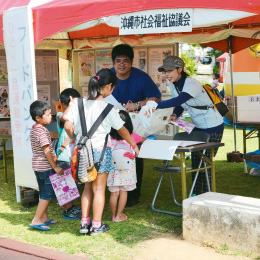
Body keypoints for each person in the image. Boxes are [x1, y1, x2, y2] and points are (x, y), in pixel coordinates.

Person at [64, 69, 139, 236]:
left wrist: (74, 138)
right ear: (108, 87)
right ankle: (96, 225)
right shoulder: (109, 109)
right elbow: (123, 131)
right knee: (99, 190)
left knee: (87, 188)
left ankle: (84, 223)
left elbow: (67, 126)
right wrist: (133, 144)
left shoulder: (78, 103)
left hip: (83, 151)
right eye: (113, 88)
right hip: (101, 153)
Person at [156, 56, 224, 195]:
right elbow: (181, 104)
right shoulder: (173, 85)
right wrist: (175, 114)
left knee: (206, 163)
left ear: (179, 69)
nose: (167, 74)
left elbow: (180, 99)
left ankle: (207, 194)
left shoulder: (191, 83)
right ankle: (196, 193)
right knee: (195, 161)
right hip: (198, 126)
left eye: (170, 70)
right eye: (165, 71)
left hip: (213, 125)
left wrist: (153, 105)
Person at [111, 43, 162, 207]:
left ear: (131, 62)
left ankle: (133, 193)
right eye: (118, 61)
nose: (121, 64)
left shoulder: (141, 77)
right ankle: (115, 192)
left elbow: (156, 98)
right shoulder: (106, 76)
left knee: (135, 155)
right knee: (112, 156)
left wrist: (137, 105)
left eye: (125, 61)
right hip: (111, 125)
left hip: (135, 126)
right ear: (113, 63)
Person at [29, 100, 64, 231]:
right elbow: (47, 151)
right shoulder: (42, 131)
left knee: (43, 192)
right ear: (38, 118)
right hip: (45, 167)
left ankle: (44, 217)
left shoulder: (35, 129)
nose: (51, 117)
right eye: (48, 115)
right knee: (47, 194)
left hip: (37, 166)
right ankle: (37, 219)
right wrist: (55, 166)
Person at [108, 111, 145, 222]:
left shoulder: (108, 137)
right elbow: (144, 140)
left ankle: (113, 215)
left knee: (114, 193)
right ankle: (119, 215)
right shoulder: (132, 136)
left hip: (113, 169)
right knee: (124, 192)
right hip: (127, 171)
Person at [56, 88, 82, 220]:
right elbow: (65, 118)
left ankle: (71, 207)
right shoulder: (60, 115)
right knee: (64, 185)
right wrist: (72, 104)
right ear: (65, 105)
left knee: (72, 184)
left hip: (73, 156)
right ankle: (68, 210)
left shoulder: (76, 117)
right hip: (64, 156)